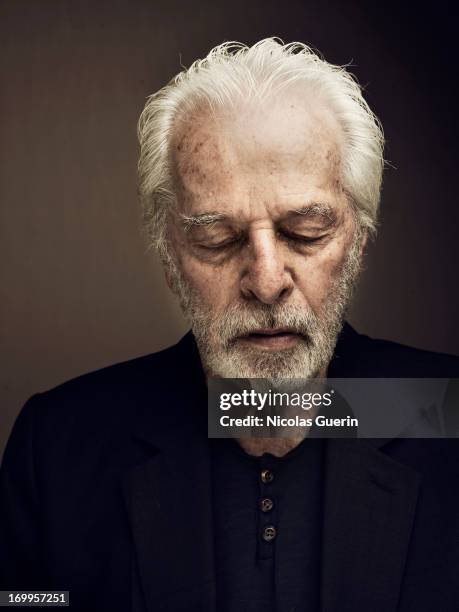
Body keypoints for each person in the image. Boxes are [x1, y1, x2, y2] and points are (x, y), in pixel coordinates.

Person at [1, 38, 458, 612]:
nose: (266, 282)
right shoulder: (60, 446)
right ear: (169, 255)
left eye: (305, 233)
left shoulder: (447, 416)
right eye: (218, 240)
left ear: (358, 242)